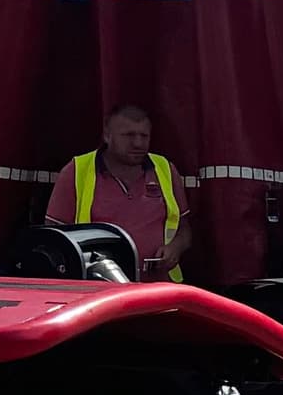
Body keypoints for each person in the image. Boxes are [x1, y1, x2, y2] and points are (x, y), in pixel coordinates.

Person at [57, 101, 187, 280]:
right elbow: (54, 237)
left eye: (144, 136)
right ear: (107, 136)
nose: (138, 143)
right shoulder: (77, 170)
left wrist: (175, 248)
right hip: (96, 290)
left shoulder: (165, 169)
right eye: (129, 135)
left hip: (159, 288)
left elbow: (185, 228)